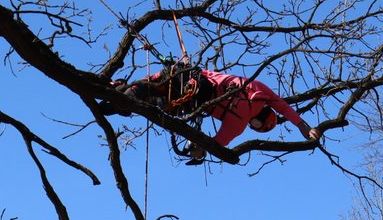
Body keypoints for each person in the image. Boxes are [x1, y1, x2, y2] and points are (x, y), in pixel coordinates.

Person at [108, 66, 321, 162]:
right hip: (189, 94)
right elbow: (213, 144)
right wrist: (198, 151)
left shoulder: (257, 89)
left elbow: (282, 106)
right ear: (258, 123)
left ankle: (114, 91)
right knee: (130, 104)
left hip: (186, 79)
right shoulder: (237, 124)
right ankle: (116, 98)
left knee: (135, 94)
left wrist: (304, 126)